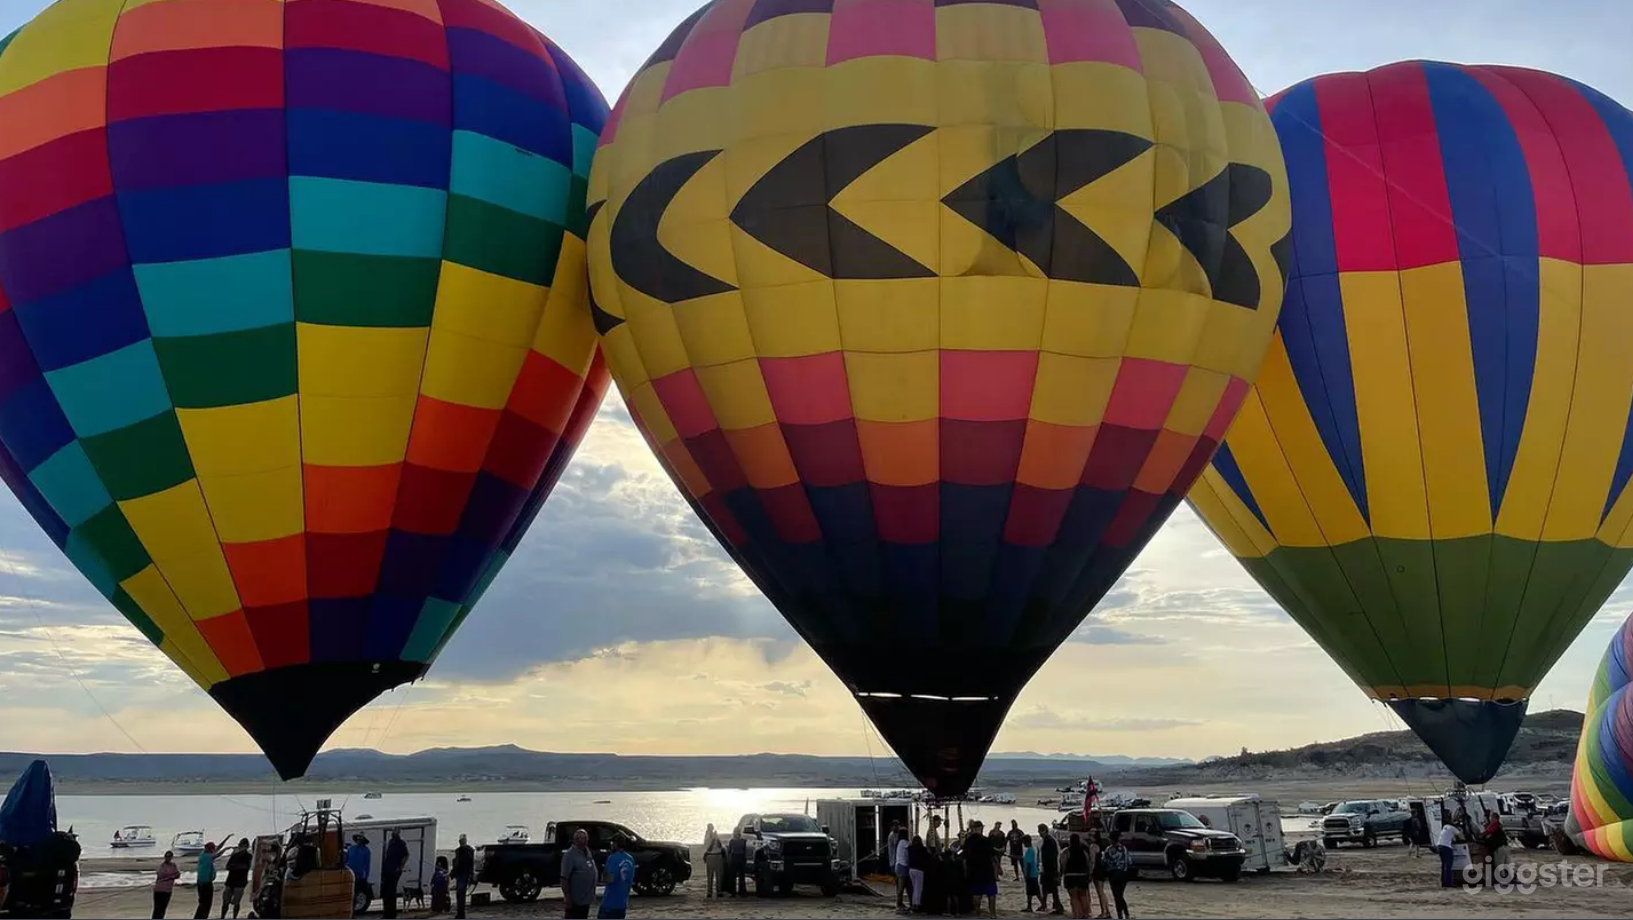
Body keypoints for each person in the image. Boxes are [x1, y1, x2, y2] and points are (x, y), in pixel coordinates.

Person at [561, 828, 599, 919]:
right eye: (581, 838)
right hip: (575, 901)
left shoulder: (587, 852)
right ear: (575, 840)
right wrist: (567, 897)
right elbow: (564, 878)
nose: (584, 841)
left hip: (586, 899)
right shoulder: (569, 855)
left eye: (586, 838)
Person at [963, 822, 997, 919]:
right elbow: (993, 857)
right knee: (991, 894)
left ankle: (978, 912)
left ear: (972, 829)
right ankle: (993, 914)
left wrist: (966, 871)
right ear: (981, 828)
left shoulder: (968, 841)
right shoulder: (986, 840)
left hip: (975, 871)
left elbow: (965, 858)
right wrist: (998, 868)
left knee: (977, 895)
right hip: (987, 871)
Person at [599, 835, 635, 919]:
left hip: (610, 904)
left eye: (612, 843)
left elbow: (608, 879)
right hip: (622, 904)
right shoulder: (630, 859)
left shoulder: (612, 858)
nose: (611, 845)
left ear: (616, 844)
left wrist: (602, 873)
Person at [1101, 831, 1132, 920]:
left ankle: (1121, 915)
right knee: (1120, 895)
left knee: (1117, 896)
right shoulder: (1124, 848)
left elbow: (1104, 862)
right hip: (1123, 874)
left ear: (1111, 839)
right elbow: (1128, 861)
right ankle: (1126, 914)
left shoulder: (1108, 849)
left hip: (1113, 874)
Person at [219, 838, 252, 920]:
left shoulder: (247, 856)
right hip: (234, 881)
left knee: (235, 903)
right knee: (226, 902)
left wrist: (235, 867)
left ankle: (232, 917)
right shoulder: (236, 855)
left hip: (238, 881)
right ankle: (223, 917)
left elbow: (245, 867)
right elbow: (228, 867)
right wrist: (237, 866)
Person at [1060, 834, 1091, 920]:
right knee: (1083, 896)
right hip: (1082, 876)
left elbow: (1063, 864)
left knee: (1074, 897)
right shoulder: (1083, 851)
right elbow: (1088, 863)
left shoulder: (1066, 851)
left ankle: (1077, 914)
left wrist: (1062, 874)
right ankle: (1085, 914)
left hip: (1070, 877)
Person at [382, 828, 410, 919]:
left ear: (398, 833)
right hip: (387, 869)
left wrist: (400, 867)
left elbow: (406, 855)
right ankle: (386, 914)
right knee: (386, 893)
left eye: (395, 831)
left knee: (391, 892)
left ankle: (391, 915)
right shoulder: (390, 842)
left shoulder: (401, 843)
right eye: (393, 831)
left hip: (394, 871)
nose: (393, 833)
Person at [1037, 824, 1063, 915]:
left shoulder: (1049, 841)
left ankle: (1058, 906)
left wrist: (1054, 871)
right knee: (1046, 887)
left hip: (1050, 869)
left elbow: (1052, 857)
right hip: (1049, 868)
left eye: (1040, 831)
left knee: (1052, 888)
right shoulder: (1048, 840)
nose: (1039, 833)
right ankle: (1045, 904)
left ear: (1044, 830)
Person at [346, 834, 373, 912]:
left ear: (363, 842)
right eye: (358, 840)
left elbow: (367, 864)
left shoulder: (366, 851)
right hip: (349, 873)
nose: (359, 841)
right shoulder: (351, 848)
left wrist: (366, 876)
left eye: (360, 840)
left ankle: (353, 910)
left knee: (355, 893)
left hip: (359, 876)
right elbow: (346, 859)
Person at [1484, 812, 1511, 885]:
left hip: (1499, 848)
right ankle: (1508, 878)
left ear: (1494, 818)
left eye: (1491, 817)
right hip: (1505, 847)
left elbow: (1487, 833)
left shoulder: (1494, 825)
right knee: (1507, 864)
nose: (1490, 819)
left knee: (1499, 864)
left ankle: (1503, 880)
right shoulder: (1500, 826)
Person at [453, 833, 476, 918]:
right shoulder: (458, 851)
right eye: (460, 841)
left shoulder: (470, 850)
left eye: (463, 840)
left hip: (465, 874)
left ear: (465, 841)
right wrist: (452, 874)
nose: (461, 842)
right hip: (460, 875)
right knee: (459, 894)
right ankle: (460, 914)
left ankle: (461, 914)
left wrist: (471, 875)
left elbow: (471, 864)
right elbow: (456, 864)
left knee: (461, 893)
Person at [1089, 832, 1110, 920]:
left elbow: (1092, 861)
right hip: (1102, 869)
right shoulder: (1103, 845)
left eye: (1091, 835)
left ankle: (1104, 912)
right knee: (1102, 892)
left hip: (1096, 871)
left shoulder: (1093, 846)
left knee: (1100, 892)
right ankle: (1107, 911)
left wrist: (1090, 872)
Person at [153, 851, 181, 919]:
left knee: (163, 908)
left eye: (169, 857)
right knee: (157, 909)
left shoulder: (173, 865)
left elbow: (177, 874)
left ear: (171, 857)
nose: (168, 858)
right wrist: (171, 876)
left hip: (167, 890)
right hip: (159, 890)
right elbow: (160, 874)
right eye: (167, 857)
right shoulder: (162, 865)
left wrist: (170, 877)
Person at [703, 822, 725, 897]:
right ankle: (709, 892)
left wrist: (717, 838)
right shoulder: (707, 836)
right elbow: (709, 848)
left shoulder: (715, 835)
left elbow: (720, 845)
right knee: (710, 875)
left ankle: (719, 891)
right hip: (711, 856)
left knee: (719, 875)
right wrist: (712, 840)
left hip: (717, 855)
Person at [908, 835, 928, 913]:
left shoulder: (910, 848)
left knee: (914, 888)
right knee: (918, 888)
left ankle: (913, 904)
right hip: (919, 870)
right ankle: (916, 905)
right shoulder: (922, 849)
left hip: (911, 869)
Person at [727, 825, 748, 896]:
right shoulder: (743, 841)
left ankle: (733, 892)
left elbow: (729, 851)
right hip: (741, 858)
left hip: (735, 858)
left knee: (733, 877)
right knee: (741, 877)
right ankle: (742, 892)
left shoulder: (732, 841)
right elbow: (745, 851)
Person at [1022, 835, 1041, 912]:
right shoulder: (1032, 850)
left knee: (1030, 891)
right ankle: (1042, 904)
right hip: (1034, 873)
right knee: (1035, 891)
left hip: (1031, 874)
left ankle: (1029, 906)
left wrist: (1027, 875)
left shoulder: (1029, 851)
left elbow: (1029, 864)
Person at [1437, 820, 1458, 888]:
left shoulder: (1445, 827)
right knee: (1448, 865)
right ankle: (1449, 883)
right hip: (1447, 847)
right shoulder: (1453, 828)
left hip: (1439, 846)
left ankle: (1443, 882)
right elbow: (1461, 835)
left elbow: (1451, 838)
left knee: (1443, 865)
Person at [895, 828, 912, 912]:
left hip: (900, 866)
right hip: (903, 866)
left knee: (902, 886)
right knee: (901, 887)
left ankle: (900, 903)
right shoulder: (903, 842)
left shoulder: (900, 842)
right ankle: (898, 904)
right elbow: (911, 848)